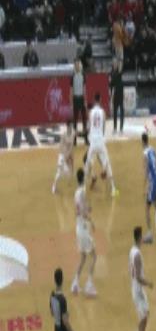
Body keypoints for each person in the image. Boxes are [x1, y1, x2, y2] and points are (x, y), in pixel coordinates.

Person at [85, 93, 119, 197]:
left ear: (94, 100)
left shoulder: (90, 112)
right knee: (107, 163)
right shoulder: (103, 112)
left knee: (87, 164)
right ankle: (113, 188)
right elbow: (103, 127)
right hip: (100, 141)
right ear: (100, 100)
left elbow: (89, 127)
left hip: (92, 142)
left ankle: (82, 189)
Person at [71, 168, 98, 297]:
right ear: (84, 178)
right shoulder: (82, 191)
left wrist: (87, 208)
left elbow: (79, 208)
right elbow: (82, 211)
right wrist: (91, 220)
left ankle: (75, 283)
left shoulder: (76, 192)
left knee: (83, 257)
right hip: (83, 228)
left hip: (78, 227)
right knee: (94, 256)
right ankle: (89, 285)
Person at [129, 226, 153, 331]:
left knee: (145, 314)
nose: (143, 238)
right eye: (142, 236)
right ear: (139, 237)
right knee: (144, 319)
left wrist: (148, 240)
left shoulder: (132, 250)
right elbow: (138, 277)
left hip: (136, 288)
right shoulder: (137, 256)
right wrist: (148, 283)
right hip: (138, 290)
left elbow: (143, 241)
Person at [141, 133, 156, 243]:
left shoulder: (144, 154)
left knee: (146, 207)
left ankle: (149, 234)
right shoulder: (152, 149)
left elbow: (146, 172)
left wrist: (144, 187)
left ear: (142, 141)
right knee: (154, 201)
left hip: (153, 182)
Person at [52, 122, 75, 194]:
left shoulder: (73, 134)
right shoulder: (64, 135)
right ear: (67, 127)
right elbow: (61, 147)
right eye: (69, 126)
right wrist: (64, 157)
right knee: (61, 172)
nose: (70, 128)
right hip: (62, 156)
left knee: (65, 172)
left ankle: (54, 187)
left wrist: (69, 156)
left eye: (71, 126)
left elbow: (71, 147)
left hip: (67, 155)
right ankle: (54, 188)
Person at [71, 59, 88, 145]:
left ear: (80, 65)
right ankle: (74, 139)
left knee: (84, 120)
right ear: (74, 66)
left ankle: (86, 138)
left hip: (81, 98)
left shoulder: (83, 75)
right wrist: (71, 102)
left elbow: (84, 89)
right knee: (75, 121)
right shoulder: (72, 76)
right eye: (76, 65)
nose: (77, 66)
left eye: (78, 64)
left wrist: (85, 100)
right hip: (75, 98)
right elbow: (71, 90)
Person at [110, 58, 124, 134]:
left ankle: (121, 128)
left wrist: (120, 59)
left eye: (116, 63)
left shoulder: (119, 71)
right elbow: (111, 85)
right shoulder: (111, 73)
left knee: (121, 111)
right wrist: (111, 94)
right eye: (114, 63)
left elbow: (121, 65)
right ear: (113, 64)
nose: (115, 64)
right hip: (115, 94)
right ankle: (115, 128)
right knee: (115, 112)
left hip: (120, 94)